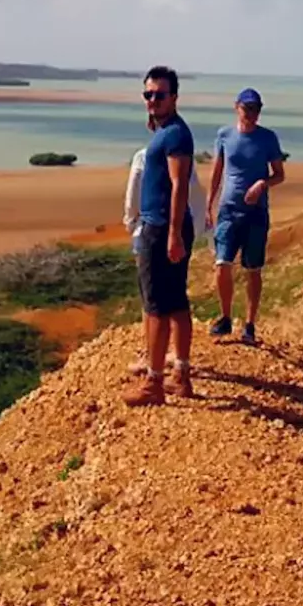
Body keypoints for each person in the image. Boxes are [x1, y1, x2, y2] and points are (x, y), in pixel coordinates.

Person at [123, 65, 196, 407]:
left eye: (159, 94)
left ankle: (154, 383)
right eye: (148, 94)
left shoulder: (176, 135)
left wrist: (173, 235)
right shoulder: (167, 131)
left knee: (155, 308)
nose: (152, 99)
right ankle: (180, 374)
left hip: (162, 228)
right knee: (177, 302)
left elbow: (180, 185)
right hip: (168, 227)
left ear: (174, 98)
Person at [206, 87, 285, 345]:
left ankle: (250, 324)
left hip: (256, 212)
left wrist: (262, 184)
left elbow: (279, 174)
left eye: (255, 109)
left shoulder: (268, 138)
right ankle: (226, 317)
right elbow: (217, 171)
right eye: (246, 108)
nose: (251, 113)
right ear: (236, 107)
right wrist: (209, 205)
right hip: (228, 210)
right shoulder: (224, 135)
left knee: (253, 269)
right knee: (222, 263)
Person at [123, 139, 206, 376]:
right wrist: (193, 232)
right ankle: (181, 365)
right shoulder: (184, 158)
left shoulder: (143, 156)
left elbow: (132, 199)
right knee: (177, 297)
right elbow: (196, 198)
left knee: (151, 301)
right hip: (183, 232)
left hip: (152, 230)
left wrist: (132, 226)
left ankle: (152, 362)